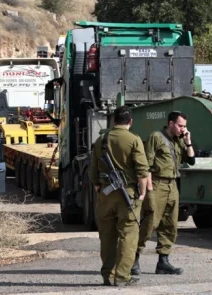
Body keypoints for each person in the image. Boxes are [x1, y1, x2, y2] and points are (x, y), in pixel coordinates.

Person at [90, 105, 149, 287]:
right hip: (127, 194)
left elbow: (93, 171)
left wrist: (99, 188)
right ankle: (122, 276)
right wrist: (143, 192)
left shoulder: (101, 139)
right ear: (130, 121)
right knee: (128, 235)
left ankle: (108, 275)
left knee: (107, 236)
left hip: (106, 194)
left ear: (113, 120)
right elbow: (142, 169)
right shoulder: (133, 139)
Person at [132, 111, 195, 276]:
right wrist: (150, 191)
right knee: (150, 222)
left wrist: (188, 142)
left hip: (173, 184)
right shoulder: (156, 137)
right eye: (180, 126)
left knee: (170, 224)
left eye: (185, 126)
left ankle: (163, 262)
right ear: (171, 123)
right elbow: (147, 165)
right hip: (157, 183)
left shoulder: (179, 140)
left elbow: (191, 160)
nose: (183, 129)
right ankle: (134, 258)